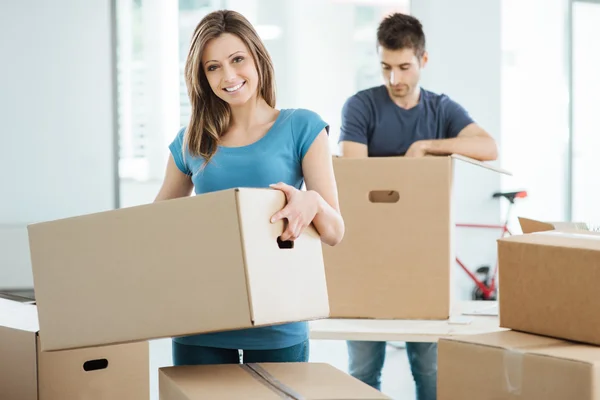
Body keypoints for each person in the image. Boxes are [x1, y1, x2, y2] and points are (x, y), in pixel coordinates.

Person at [154, 10, 345, 366]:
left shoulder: (302, 126)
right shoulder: (191, 141)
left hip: (278, 317)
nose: (228, 76)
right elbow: (155, 225)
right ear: (201, 76)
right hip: (200, 316)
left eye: (237, 59)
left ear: (258, 58)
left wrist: (312, 201)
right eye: (212, 67)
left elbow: (335, 233)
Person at [339, 12, 498, 400]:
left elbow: (488, 147)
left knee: (429, 371)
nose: (395, 79)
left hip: (423, 257)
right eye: (386, 67)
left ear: (423, 61)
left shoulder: (441, 110)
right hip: (367, 257)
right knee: (362, 371)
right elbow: (355, 180)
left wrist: (428, 145)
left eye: (404, 67)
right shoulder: (360, 107)